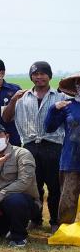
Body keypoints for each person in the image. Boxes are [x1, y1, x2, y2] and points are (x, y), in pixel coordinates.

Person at [2, 61, 66, 232]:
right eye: (35, 74)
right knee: (32, 186)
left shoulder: (61, 97)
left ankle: (54, 221)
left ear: (49, 76)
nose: (39, 77)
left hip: (53, 146)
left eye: (43, 73)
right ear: (31, 76)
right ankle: (36, 219)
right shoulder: (21, 97)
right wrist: (14, 100)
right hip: (29, 147)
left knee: (55, 186)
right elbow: (7, 118)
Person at [45, 72, 80, 227]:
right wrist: (53, 109)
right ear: (76, 87)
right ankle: (65, 230)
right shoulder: (67, 106)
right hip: (71, 159)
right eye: (79, 84)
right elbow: (49, 128)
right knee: (68, 198)